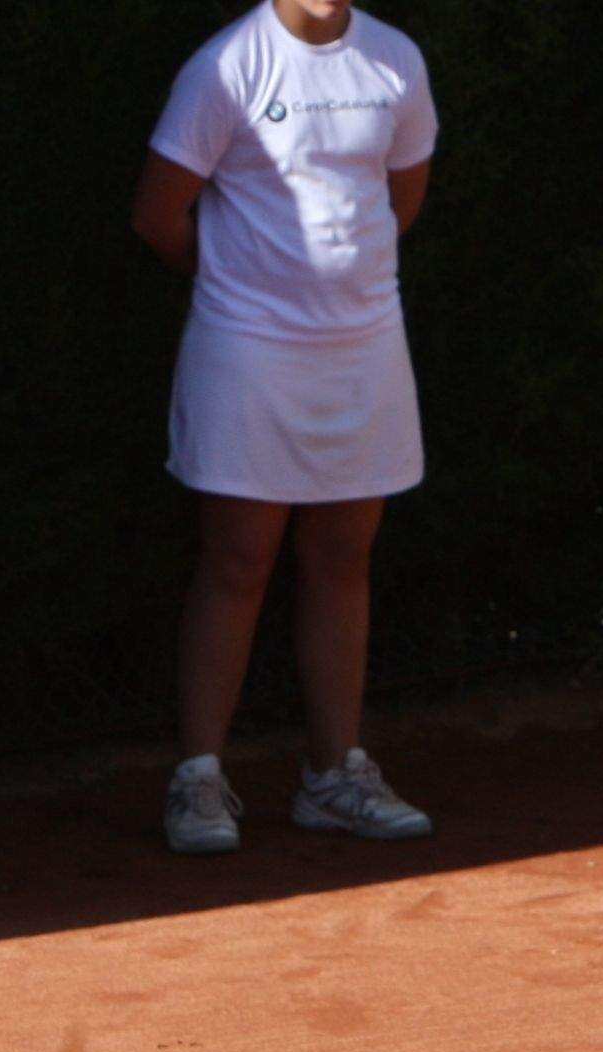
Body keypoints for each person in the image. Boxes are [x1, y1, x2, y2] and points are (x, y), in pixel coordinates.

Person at [132, 0, 438, 856]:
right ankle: (197, 780)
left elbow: (399, 202)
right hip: (247, 352)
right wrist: (245, 286)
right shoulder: (224, 68)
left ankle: (334, 775)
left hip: (366, 349)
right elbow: (158, 215)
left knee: (345, 556)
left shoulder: (396, 62)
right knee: (237, 558)